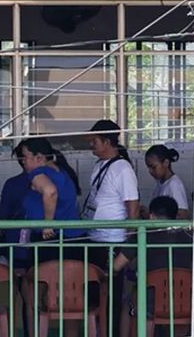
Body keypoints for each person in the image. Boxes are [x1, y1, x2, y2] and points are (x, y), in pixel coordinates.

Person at [81, 120, 141, 281]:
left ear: (107, 142)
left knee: (110, 286)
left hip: (112, 238)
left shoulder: (123, 168)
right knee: (94, 283)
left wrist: (129, 240)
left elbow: (132, 205)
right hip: (95, 235)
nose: (91, 145)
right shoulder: (99, 164)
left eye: (95, 141)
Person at [16, 137, 84, 257]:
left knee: (46, 275)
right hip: (72, 238)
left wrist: (48, 224)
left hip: (52, 240)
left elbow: (50, 191)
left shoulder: (38, 173)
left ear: (39, 157)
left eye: (25, 156)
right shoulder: (62, 172)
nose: (23, 161)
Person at [144, 145, 190, 219]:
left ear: (166, 162)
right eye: (148, 168)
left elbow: (182, 214)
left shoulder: (174, 184)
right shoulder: (160, 184)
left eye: (153, 167)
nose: (150, 171)